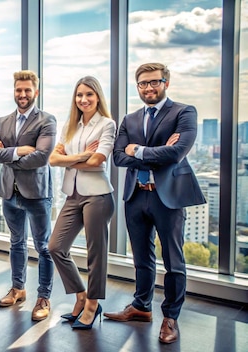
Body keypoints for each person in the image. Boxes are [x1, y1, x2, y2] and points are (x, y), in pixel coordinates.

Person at [105, 63, 206, 344]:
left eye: (155, 82)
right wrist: (156, 152)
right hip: (136, 195)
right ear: (137, 87)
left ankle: (171, 317)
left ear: (166, 83)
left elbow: (176, 153)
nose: (149, 88)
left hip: (168, 197)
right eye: (143, 83)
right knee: (141, 257)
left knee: (173, 260)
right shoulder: (130, 118)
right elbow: (117, 158)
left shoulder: (184, 112)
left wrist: (136, 149)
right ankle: (141, 306)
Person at [0, 70, 56, 322]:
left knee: (43, 247)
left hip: (37, 194)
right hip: (9, 193)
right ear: (14, 91)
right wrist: (18, 152)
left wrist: (8, 156)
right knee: (16, 243)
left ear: (36, 92)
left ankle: (44, 297)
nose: (22, 94)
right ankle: (18, 288)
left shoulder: (47, 120)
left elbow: (41, 157)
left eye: (27, 90)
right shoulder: (3, 121)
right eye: (18, 90)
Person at [47, 76, 116, 329]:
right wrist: (82, 156)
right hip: (73, 194)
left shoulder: (107, 124)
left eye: (89, 94)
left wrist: (71, 159)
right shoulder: (70, 125)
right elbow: (53, 159)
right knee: (55, 246)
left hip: (97, 196)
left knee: (95, 254)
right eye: (79, 95)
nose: (83, 99)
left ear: (97, 96)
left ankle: (92, 305)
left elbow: (97, 161)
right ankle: (80, 295)